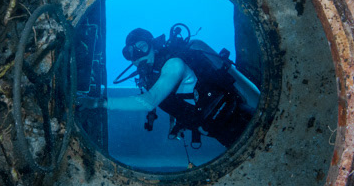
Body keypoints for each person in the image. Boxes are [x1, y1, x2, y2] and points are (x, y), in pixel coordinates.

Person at [78, 25, 260, 147]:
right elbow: (176, 99)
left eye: (141, 47)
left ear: (154, 46)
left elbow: (149, 101)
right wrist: (176, 124)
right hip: (216, 128)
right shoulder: (152, 77)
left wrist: (98, 103)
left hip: (239, 118)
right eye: (130, 53)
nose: (137, 55)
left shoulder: (174, 64)